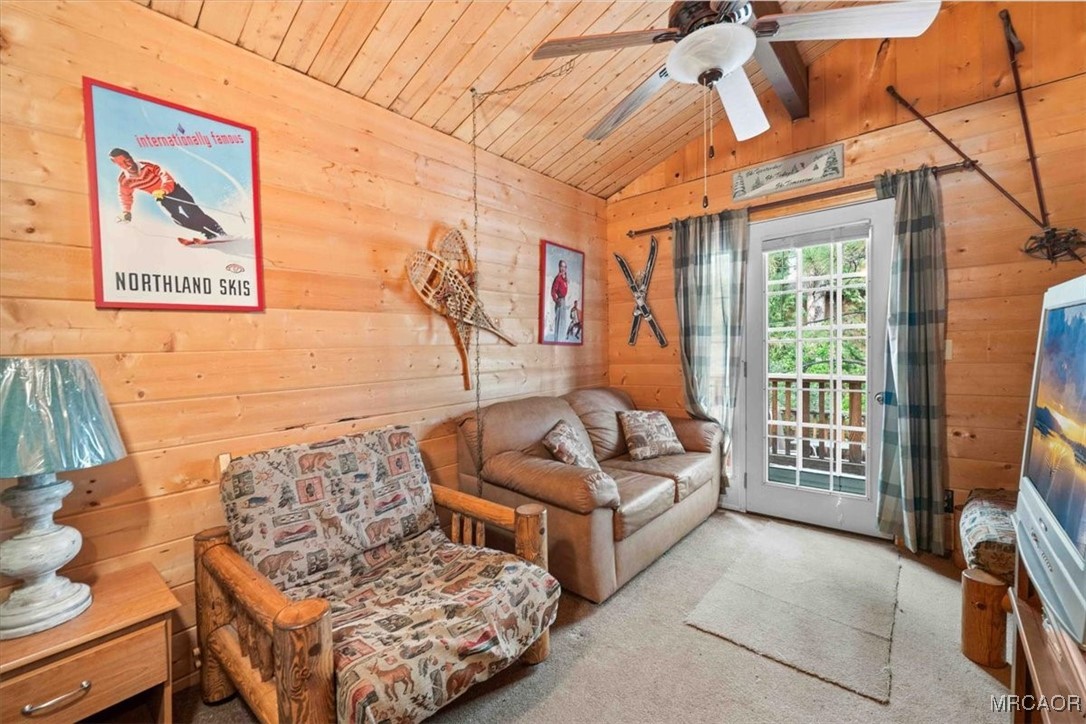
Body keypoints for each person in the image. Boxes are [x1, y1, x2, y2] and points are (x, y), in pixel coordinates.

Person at [109, 148, 226, 240]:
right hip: (162, 199)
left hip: (176, 191)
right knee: (179, 220)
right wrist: (126, 212)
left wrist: (164, 189)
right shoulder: (124, 179)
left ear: (130, 157)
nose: (125, 164)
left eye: (126, 160)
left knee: (195, 214)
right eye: (120, 164)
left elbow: (165, 176)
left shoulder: (147, 166)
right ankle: (209, 234)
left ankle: (220, 232)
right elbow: (125, 196)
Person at [550, 259, 569, 340]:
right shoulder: (558, 278)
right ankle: (557, 340)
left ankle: (561, 340)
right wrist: (556, 300)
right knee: (559, 323)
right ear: (559, 267)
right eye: (561, 266)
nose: (563, 268)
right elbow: (553, 291)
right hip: (560, 301)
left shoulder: (565, 279)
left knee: (563, 323)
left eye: (564, 267)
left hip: (564, 301)